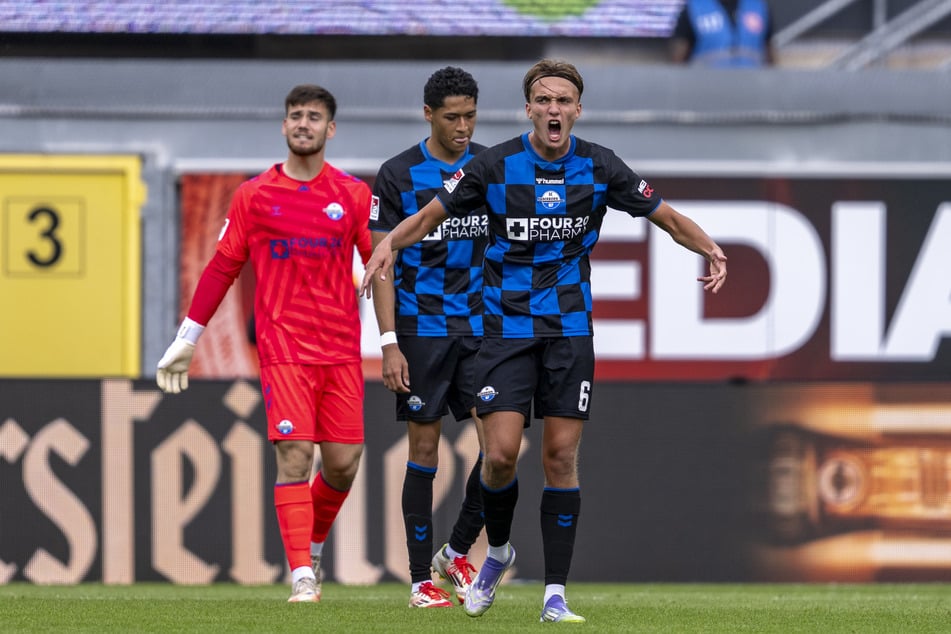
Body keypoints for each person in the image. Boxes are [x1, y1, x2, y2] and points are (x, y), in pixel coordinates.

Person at [360, 59, 728, 624]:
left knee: (560, 458)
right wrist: (388, 246)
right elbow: (430, 215)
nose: (554, 109)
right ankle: (497, 553)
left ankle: (555, 595)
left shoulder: (600, 166)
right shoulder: (495, 164)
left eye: (564, 100)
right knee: (501, 455)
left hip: (569, 334)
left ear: (577, 109)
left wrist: (709, 246)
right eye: (543, 99)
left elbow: (665, 216)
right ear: (529, 108)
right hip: (502, 333)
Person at [156, 84, 373, 604]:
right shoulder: (254, 196)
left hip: (340, 349)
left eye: (314, 117)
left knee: (343, 464)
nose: (303, 123)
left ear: (330, 129)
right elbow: (221, 268)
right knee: (295, 455)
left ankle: (312, 546)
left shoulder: (353, 195)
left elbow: (381, 265)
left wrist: (392, 338)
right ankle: (301, 576)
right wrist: (189, 337)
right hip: (284, 348)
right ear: (284, 126)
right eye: (295, 115)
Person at [369, 66, 488, 609]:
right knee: (425, 450)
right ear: (428, 115)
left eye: (470, 115)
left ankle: (456, 550)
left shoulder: (492, 166)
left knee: (501, 452)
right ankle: (421, 582)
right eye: (452, 117)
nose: (463, 127)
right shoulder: (397, 174)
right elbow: (383, 262)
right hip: (420, 330)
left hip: (484, 331)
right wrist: (389, 341)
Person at [670, 0, 775, 67]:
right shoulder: (694, 8)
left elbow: (770, 58)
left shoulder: (758, 7)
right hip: (704, 91)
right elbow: (678, 61)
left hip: (753, 91)